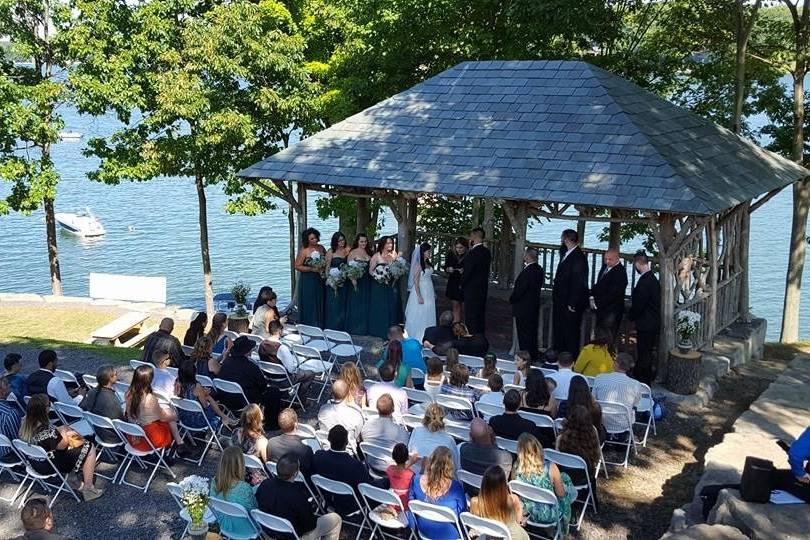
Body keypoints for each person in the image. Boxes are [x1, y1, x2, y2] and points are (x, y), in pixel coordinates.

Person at [20, 394, 104, 501]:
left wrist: (60, 430)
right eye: (48, 404)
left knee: (72, 438)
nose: (50, 406)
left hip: (34, 463)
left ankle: (73, 479)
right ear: (43, 410)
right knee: (88, 446)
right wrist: (64, 432)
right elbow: (62, 446)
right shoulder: (46, 431)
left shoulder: (25, 424)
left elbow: (49, 441)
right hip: (48, 465)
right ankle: (88, 488)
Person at [256, 453, 342, 540]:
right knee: (336, 519)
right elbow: (310, 526)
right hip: (294, 536)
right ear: (295, 474)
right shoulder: (298, 495)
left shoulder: (264, 484)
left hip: (269, 531)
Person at [513, 433, 575, 536]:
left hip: (528, 513)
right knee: (565, 487)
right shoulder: (551, 467)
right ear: (538, 448)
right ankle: (564, 528)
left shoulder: (515, 468)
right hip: (550, 515)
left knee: (563, 477)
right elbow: (561, 495)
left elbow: (517, 493)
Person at [125, 365, 189, 457]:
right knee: (171, 419)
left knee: (167, 416)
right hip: (147, 440)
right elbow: (163, 417)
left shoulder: (129, 393)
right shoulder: (150, 399)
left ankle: (178, 445)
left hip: (132, 436)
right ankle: (177, 446)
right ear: (150, 380)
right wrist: (176, 415)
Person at [218, 336, 281, 430]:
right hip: (244, 401)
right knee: (274, 392)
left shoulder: (226, 362)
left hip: (226, 400)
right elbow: (263, 385)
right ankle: (271, 424)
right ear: (247, 351)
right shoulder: (251, 366)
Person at [408, 446, 467, 539]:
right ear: (450, 466)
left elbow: (410, 504)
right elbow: (462, 512)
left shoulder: (416, 480)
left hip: (424, 529)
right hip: (449, 534)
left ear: (431, 461)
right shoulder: (456, 487)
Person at [313, 425, 374, 516]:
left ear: (329, 440)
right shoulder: (355, 465)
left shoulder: (318, 456)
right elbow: (366, 489)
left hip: (328, 499)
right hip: (351, 505)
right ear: (346, 442)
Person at [552, 229, 589, 357]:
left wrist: (572, 303)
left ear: (566, 239)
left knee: (570, 333)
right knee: (561, 331)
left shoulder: (578, 258)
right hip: (561, 300)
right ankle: (560, 357)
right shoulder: (567, 253)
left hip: (569, 303)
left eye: (562, 238)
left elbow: (578, 282)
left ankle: (570, 359)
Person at [209, 447, 258, 538]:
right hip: (247, 530)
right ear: (240, 465)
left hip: (225, 526)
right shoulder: (244, 488)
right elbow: (254, 511)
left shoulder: (215, 482)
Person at [556, 405, 601, 504]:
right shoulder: (592, 432)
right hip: (584, 478)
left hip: (564, 476)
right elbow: (597, 457)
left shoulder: (562, 438)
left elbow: (557, 460)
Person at [260, 320, 315, 399]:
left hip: (268, 379)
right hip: (283, 381)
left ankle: (285, 395)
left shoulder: (261, 344)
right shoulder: (281, 348)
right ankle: (301, 400)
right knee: (310, 374)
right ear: (279, 331)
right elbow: (291, 370)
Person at [470, 466, 529, 540]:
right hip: (513, 536)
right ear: (504, 483)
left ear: (484, 483)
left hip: (488, 536)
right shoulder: (513, 499)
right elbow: (519, 521)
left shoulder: (475, 502)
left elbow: (475, 525)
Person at [628, 250, 660, 384]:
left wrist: (631, 316)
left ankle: (644, 378)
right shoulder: (652, 278)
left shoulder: (645, 282)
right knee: (645, 350)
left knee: (644, 351)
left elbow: (639, 304)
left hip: (646, 322)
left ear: (638, 263)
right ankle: (641, 373)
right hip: (651, 321)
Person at [592, 353, 643, 434]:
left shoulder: (599, 378)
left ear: (615, 364)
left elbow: (593, 398)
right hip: (623, 424)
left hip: (600, 420)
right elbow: (636, 404)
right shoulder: (636, 384)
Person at [174, 361, 232, 431]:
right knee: (209, 398)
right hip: (198, 421)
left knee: (205, 397)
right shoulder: (196, 386)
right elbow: (205, 406)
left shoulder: (177, 383)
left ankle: (224, 417)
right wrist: (204, 394)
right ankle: (224, 417)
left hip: (183, 418)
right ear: (193, 373)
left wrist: (202, 392)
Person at [510, 247, 545, 362]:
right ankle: (533, 354)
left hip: (523, 307)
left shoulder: (527, 272)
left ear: (528, 256)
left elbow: (520, 290)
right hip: (533, 306)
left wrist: (512, 298)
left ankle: (526, 357)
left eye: (525, 255)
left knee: (524, 334)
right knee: (532, 333)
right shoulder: (539, 270)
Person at [490, 389, 555, 449]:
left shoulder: (493, 421)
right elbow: (542, 444)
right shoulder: (529, 426)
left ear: (503, 403)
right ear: (519, 405)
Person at [368, 235, 404, 339]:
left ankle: (392, 330)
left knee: (392, 305)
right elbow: (371, 271)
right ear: (383, 244)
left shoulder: (393, 254)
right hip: (379, 285)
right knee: (380, 306)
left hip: (391, 284)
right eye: (388, 243)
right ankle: (379, 330)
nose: (390, 245)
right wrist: (378, 277)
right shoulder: (376, 256)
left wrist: (397, 274)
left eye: (391, 243)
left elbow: (397, 268)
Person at [408, 403, 460, 472]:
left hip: (415, 474)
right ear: (442, 419)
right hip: (437, 479)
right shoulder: (448, 440)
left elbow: (410, 451)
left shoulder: (416, 431)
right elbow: (456, 466)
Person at [589, 248, 628, 340]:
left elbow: (614, 294)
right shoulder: (605, 267)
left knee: (607, 337)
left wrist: (597, 303)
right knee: (599, 334)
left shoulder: (620, 273)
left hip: (611, 310)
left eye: (610, 259)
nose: (607, 261)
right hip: (602, 308)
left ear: (617, 259)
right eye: (605, 259)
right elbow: (600, 284)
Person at [317, 380, 364, 454]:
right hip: (347, 451)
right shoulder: (356, 414)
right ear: (347, 393)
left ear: (332, 393)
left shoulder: (323, 409)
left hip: (326, 446)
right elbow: (357, 436)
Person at [460, 227, 492, 335]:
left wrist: (462, 284)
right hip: (482, 288)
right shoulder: (486, 252)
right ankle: (480, 336)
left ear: (474, 237)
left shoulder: (473, 253)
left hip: (471, 289)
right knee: (480, 314)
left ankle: (471, 336)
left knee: (471, 315)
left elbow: (468, 271)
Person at [405, 242, 437, 343]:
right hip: (421, 290)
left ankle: (429, 334)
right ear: (423, 252)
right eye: (428, 251)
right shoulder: (418, 265)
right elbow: (416, 281)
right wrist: (419, 296)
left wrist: (434, 292)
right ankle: (417, 335)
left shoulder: (428, 263)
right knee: (419, 313)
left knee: (429, 312)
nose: (430, 253)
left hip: (429, 289)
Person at [267, 408, 314, 478]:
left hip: (278, 478)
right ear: (296, 424)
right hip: (299, 484)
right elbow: (310, 472)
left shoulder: (271, 442)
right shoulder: (305, 450)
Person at [295, 227, 327, 328]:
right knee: (310, 300)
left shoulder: (321, 248)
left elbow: (326, 260)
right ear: (307, 240)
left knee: (320, 298)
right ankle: (309, 323)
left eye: (315, 238)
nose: (315, 240)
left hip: (319, 278)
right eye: (312, 239)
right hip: (308, 280)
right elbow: (297, 265)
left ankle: (320, 323)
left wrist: (323, 267)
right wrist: (311, 269)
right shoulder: (304, 251)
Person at [78, 365, 124, 434]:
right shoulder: (112, 399)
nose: (117, 376)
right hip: (113, 436)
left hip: (97, 430)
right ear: (110, 379)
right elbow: (121, 421)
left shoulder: (91, 392)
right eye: (115, 374)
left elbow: (82, 408)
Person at [232, 404, 269, 485]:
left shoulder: (236, 432)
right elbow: (267, 464)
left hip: (239, 472)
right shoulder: (262, 441)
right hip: (257, 479)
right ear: (259, 419)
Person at [346, 232, 374, 336]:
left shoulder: (369, 252)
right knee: (357, 304)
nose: (364, 243)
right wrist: (353, 280)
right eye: (361, 241)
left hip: (367, 281)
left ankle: (365, 327)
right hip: (357, 281)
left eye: (365, 241)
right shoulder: (353, 253)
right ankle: (355, 328)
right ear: (357, 242)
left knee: (366, 304)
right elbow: (349, 269)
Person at [566, 376, 605, 443]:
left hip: (570, 440)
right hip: (591, 441)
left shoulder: (564, 405)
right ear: (587, 389)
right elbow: (598, 426)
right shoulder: (595, 407)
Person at [325, 231, 351, 331]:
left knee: (344, 303)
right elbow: (327, 268)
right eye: (339, 240)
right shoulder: (331, 251)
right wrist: (330, 280)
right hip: (333, 281)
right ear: (335, 241)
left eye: (343, 240)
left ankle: (344, 326)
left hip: (345, 280)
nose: (342, 242)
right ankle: (333, 326)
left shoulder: (348, 249)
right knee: (334, 303)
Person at [386, 443, 420, 509]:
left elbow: (400, 471)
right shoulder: (411, 474)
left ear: (393, 457)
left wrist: (410, 463)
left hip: (392, 502)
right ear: (407, 457)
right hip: (405, 505)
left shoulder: (389, 469)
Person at [444, 238, 468, 323]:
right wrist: (448, 269)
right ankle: (456, 326)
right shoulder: (451, 254)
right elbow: (445, 267)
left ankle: (466, 327)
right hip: (454, 282)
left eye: (461, 247)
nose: (459, 250)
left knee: (466, 308)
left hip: (465, 283)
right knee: (455, 306)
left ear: (465, 247)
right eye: (457, 247)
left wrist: (465, 270)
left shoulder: (469, 255)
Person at [0, 376, 24, 462]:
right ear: (1, 391)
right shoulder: (10, 413)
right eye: (6, 384)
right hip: (9, 455)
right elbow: (18, 441)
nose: (10, 385)